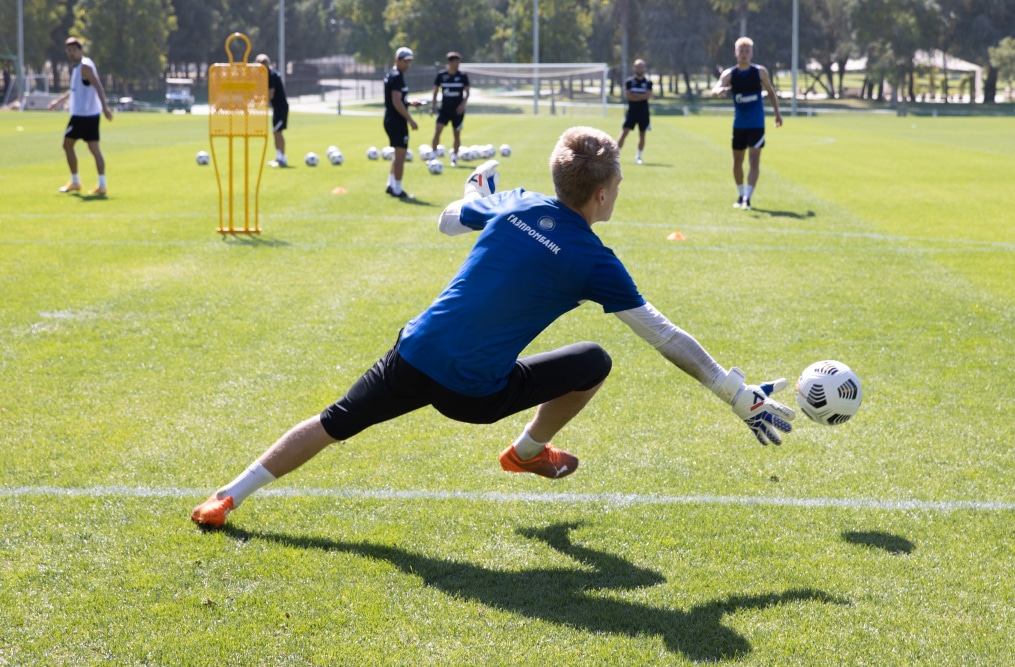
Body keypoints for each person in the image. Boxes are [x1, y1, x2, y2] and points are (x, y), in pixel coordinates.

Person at [191, 126, 796, 530]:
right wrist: (735, 394)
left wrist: (476, 191)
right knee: (594, 361)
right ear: (605, 193)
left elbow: (450, 222)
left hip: (412, 353)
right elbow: (665, 337)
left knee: (333, 422)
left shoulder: (520, 203)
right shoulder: (594, 260)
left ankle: (227, 497)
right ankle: (526, 452)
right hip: (473, 394)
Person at [710, 37, 783, 210]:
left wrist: (777, 114)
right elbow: (714, 89)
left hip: (757, 124)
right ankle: (741, 193)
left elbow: (771, 92)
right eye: (740, 51)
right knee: (737, 162)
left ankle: (747, 198)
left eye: (746, 51)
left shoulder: (760, 72)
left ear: (751, 54)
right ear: (736, 53)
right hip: (739, 125)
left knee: (754, 159)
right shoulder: (729, 74)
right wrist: (718, 91)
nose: (743, 54)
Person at [48, 37, 114, 196]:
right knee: (93, 148)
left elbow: (98, 85)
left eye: (74, 50)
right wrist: (58, 101)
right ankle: (102, 185)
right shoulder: (79, 68)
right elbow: (74, 90)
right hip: (89, 114)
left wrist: (105, 108)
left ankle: (76, 181)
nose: (71, 53)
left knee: (67, 145)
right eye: (69, 50)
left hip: (82, 115)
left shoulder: (85, 66)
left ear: (81, 50)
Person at [383, 47, 422, 199]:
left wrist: (410, 103)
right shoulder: (397, 77)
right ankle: (398, 190)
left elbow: (399, 100)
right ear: (397, 60)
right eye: (405, 61)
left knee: (397, 154)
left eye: (409, 62)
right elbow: (396, 101)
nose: (408, 65)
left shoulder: (393, 75)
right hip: (397, 121)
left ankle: (391, 185)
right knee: (400, 157)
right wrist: (410, 119)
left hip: (391, 119)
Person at [430, 52, 470, 167]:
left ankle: (454, 158)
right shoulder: (441, 76)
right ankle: (433, 156)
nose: (457, 64)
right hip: (444, 109)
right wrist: (432, 107)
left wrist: (462, 105)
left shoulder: (462, 76)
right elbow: (435, 92)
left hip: (457, 111)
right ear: (449, 62)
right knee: (438, 130)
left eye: (458, 61)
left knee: (456, 134)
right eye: (455, 61)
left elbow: (467, 93)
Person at [256, 54, 290, 168]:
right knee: (275, 132)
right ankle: (278, 158)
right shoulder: (269, 74)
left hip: (281, 107)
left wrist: (258, 102)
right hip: (277, 108)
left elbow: (270, 95)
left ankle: (283, 158)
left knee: (277, 132)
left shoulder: (270, 75)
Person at [617, 59, 653, 165]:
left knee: (642, 134)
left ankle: (638, 157)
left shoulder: (648, 82)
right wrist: (641, 96)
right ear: (634, 68)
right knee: (624, 132)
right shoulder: (629, 82)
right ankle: (615, 156)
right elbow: (628, 96)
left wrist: (635, 95)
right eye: (638, 66)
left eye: (641, 66)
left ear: (644, 68)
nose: (639, 68)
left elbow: (648, 95)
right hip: (631, 112)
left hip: (644, 113)